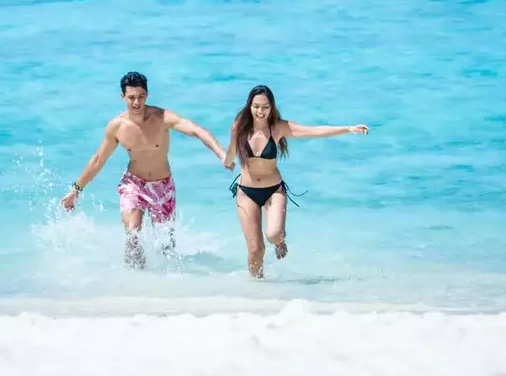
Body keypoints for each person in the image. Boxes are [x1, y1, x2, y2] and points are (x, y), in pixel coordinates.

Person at [60, 71, 231, 268]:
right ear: (122, 97)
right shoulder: (117, 126)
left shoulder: (162, 117)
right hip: (134, 184)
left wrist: (221, 153)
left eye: (141, 97)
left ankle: (164, 286)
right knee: (133, 233)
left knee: (166, 245)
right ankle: (135, 280)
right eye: (131, 98)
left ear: (147, 95)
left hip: (163, 187)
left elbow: (196, 130)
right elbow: (99, 159)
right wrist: (76, 190)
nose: (136, 103)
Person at [223, 84, 369, 278]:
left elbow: (313, 131)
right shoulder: (239, 127)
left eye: (265, 107)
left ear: (272, 107)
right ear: (249, 105)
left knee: (274, 234)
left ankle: (280, 241)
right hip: (246, 192)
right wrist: (227, 161)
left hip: (273, 190)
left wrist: (347, 129)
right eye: (256, 106)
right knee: (255, 249)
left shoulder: (279, 128)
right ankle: (258, 288)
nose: (260, 111)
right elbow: (231, 152)